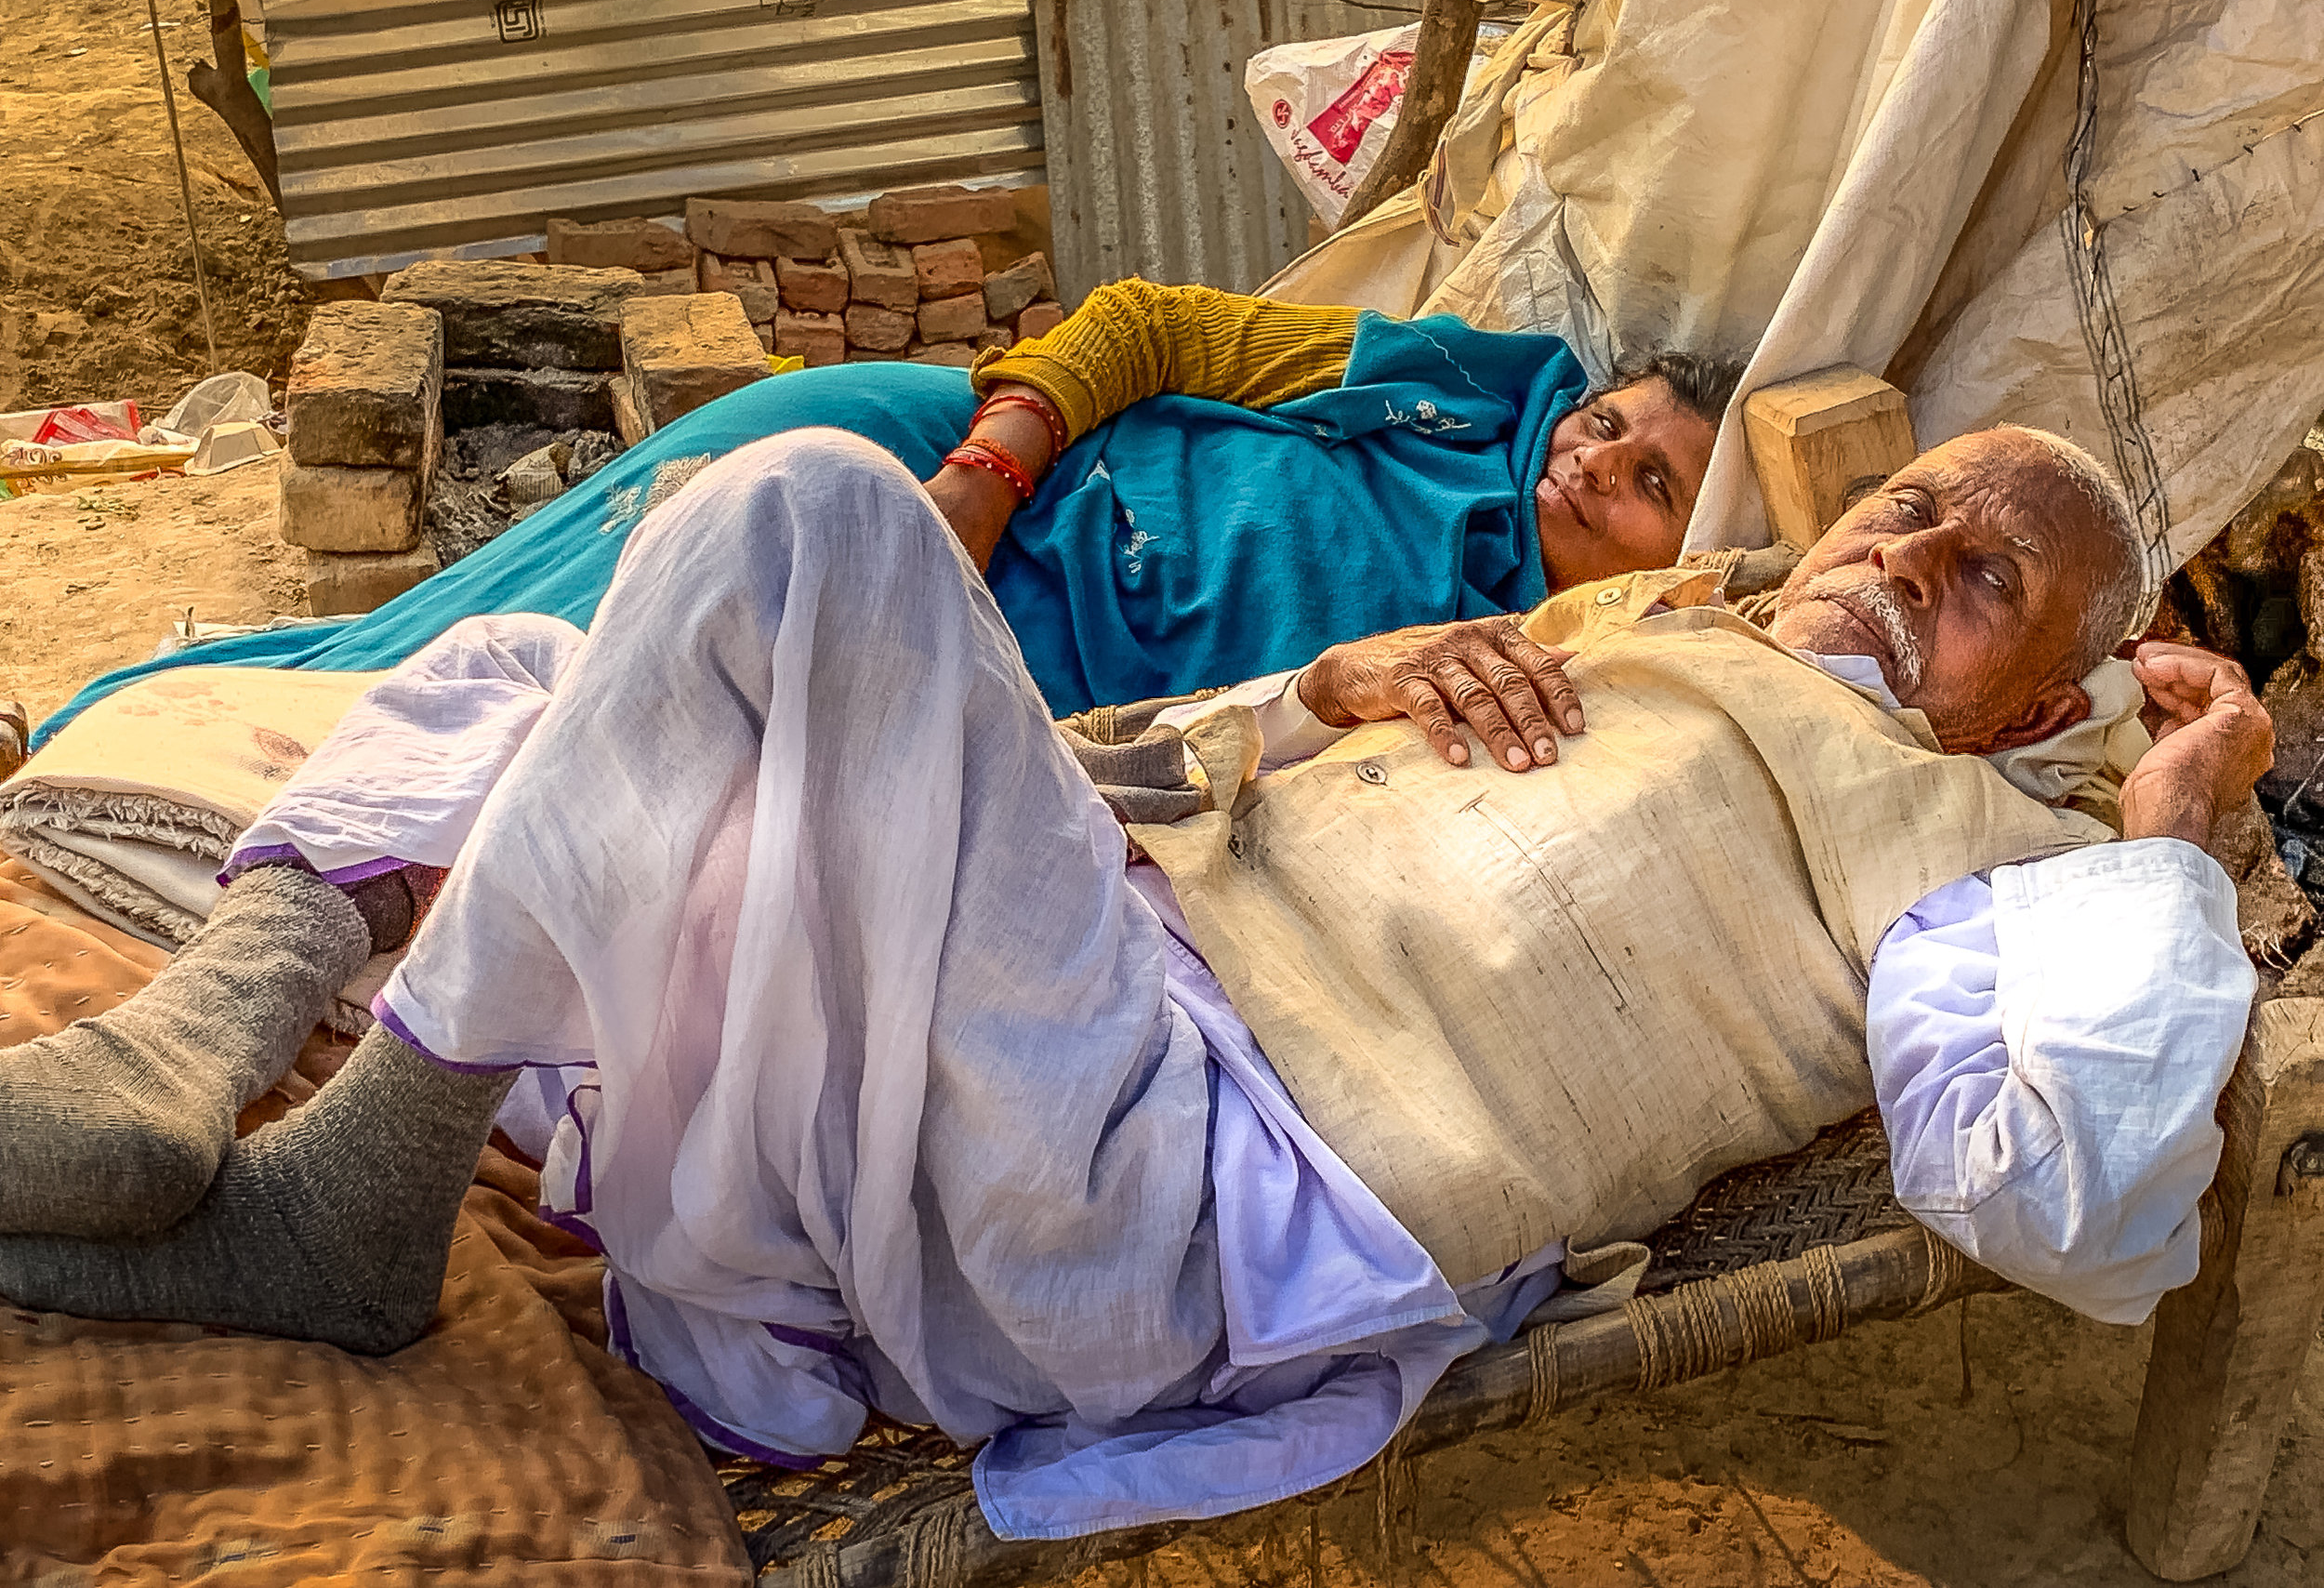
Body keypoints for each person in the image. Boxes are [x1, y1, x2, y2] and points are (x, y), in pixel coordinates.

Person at [0, 424, 2266, 1542]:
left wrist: (2182, 789)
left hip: (1172, 1194)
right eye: (1904, 510)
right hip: (1041, 1047)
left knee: (810, 509)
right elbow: (1062, 784)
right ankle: (219, 1028)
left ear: (2022, 703)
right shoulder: (1622, 633)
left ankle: (344, 1204)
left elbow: (2051, 1173)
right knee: (522, 656)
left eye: (1983, 586)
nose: (1903, 565)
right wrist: (1315, 695)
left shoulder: (1983, 844)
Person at [33, 282, 1734, 739]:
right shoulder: (1444, 388)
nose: (1588, 458)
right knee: (473, 642)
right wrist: (975, 488)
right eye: (1606, 421)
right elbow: (1140, 325)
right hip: (901, 470)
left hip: (963, 659)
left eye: (1650, 479)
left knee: (512, 709)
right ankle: (105, 742)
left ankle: (121, 749)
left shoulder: (1528, 655)